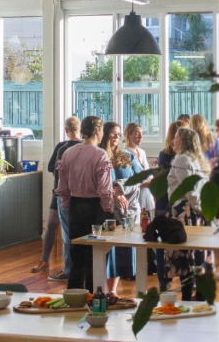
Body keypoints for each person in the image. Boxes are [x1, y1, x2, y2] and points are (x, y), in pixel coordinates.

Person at [56, 116, 129, 291]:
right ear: (97, 131)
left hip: (75, 206)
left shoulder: (69, 152)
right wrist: (108, 210)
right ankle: (93, 297)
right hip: (95, 208)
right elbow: (104, 189)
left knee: (77, 256)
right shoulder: (100, 154)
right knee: (95, 257)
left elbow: (63, 187)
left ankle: (73, 297)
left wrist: (67, 205)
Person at [164, 127, 212, 301]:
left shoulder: (182, 160)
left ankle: (187, 297)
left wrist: (199, 209)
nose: (173, 141)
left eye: (175, 138)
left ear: (183, 141)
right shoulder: (195, 160)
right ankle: (198, 295)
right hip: (193, 209)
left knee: (186, 256)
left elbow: (189, 190)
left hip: (185, 210)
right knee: (195, 255)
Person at [33, 117, 81, 279]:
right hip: (65, 193)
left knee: (55, 227)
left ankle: (49, 261)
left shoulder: (62, 147)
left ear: (66, 130)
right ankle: (59, 264)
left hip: (60, 193)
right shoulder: (81, 147)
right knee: (63, 228)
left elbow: (51, 169)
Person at [100, 121, 143, 296]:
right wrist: (114, 192)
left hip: (127, 212)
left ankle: (113, 290)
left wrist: (121, 187)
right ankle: (103, 288)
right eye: (112, 133)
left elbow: (139, 179)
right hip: (106, 210)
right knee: (108, 251)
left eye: (118, 134)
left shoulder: (126, 156)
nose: (116, 137)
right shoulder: (100, 155)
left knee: (120, 251)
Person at [154, 120, 183, 289]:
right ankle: (183, 278)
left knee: (162, 242)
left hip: (162, 201)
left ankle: (164, 281)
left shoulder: (163, 154)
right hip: (172, 202)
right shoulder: (179, 157)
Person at [122, 123, 156, 212]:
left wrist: (150, 180)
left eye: (142, 134)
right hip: (135, 194)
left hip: (146, 192)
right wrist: (144, 183)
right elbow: (128, 178)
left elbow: (148, 172)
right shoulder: (124, 153)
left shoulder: (142, 152)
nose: (140, 136)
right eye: (137, 133)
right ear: (128, 135)